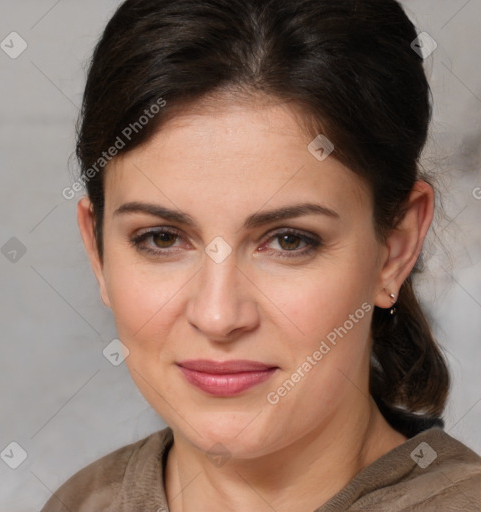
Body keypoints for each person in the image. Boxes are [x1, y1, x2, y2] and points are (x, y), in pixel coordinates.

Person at [41, 0, 481, 510]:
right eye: (161, 238)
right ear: (98, 251)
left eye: (289, 240)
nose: (218, 315)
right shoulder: (81, 501)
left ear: (395, 249)